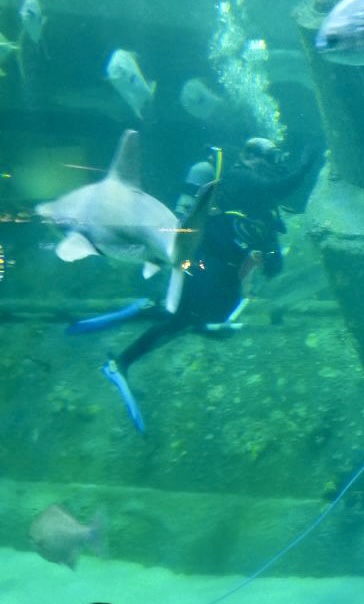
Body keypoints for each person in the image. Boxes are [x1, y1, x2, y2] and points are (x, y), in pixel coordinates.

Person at [99, 137, 318, 432]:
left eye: (276, 157)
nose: (272, 164)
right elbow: (276, 189)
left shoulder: (259, 193)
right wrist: (305, 165)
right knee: (184, 318)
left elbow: (264, 225)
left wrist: (272, 256)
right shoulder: (238, 176)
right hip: (205, 258)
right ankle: (121, 362)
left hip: (227, 265)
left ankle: (158, 313)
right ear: (249, 157)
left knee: (215, 314)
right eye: (268, 157)